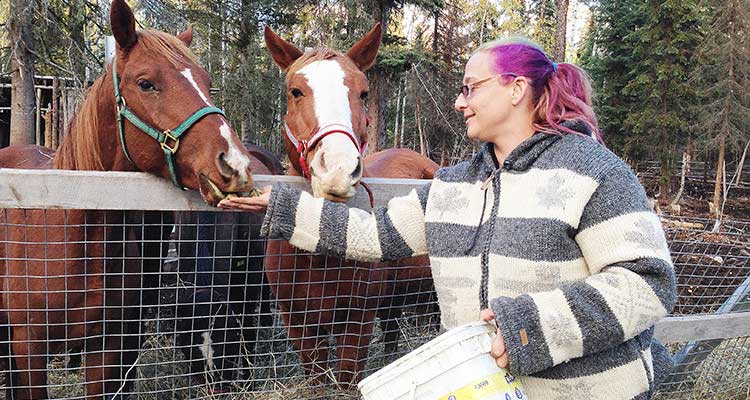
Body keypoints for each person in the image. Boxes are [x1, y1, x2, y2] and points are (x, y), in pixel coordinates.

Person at [219, 38, 676, 399]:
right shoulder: (457, 183)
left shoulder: (595, 171)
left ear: (516, 89)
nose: (459, 102)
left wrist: (529, 327)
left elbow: (647, 282)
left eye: (471, 87)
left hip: (580, 392)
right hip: (484, 389)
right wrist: (281, 206)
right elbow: (376, 235)